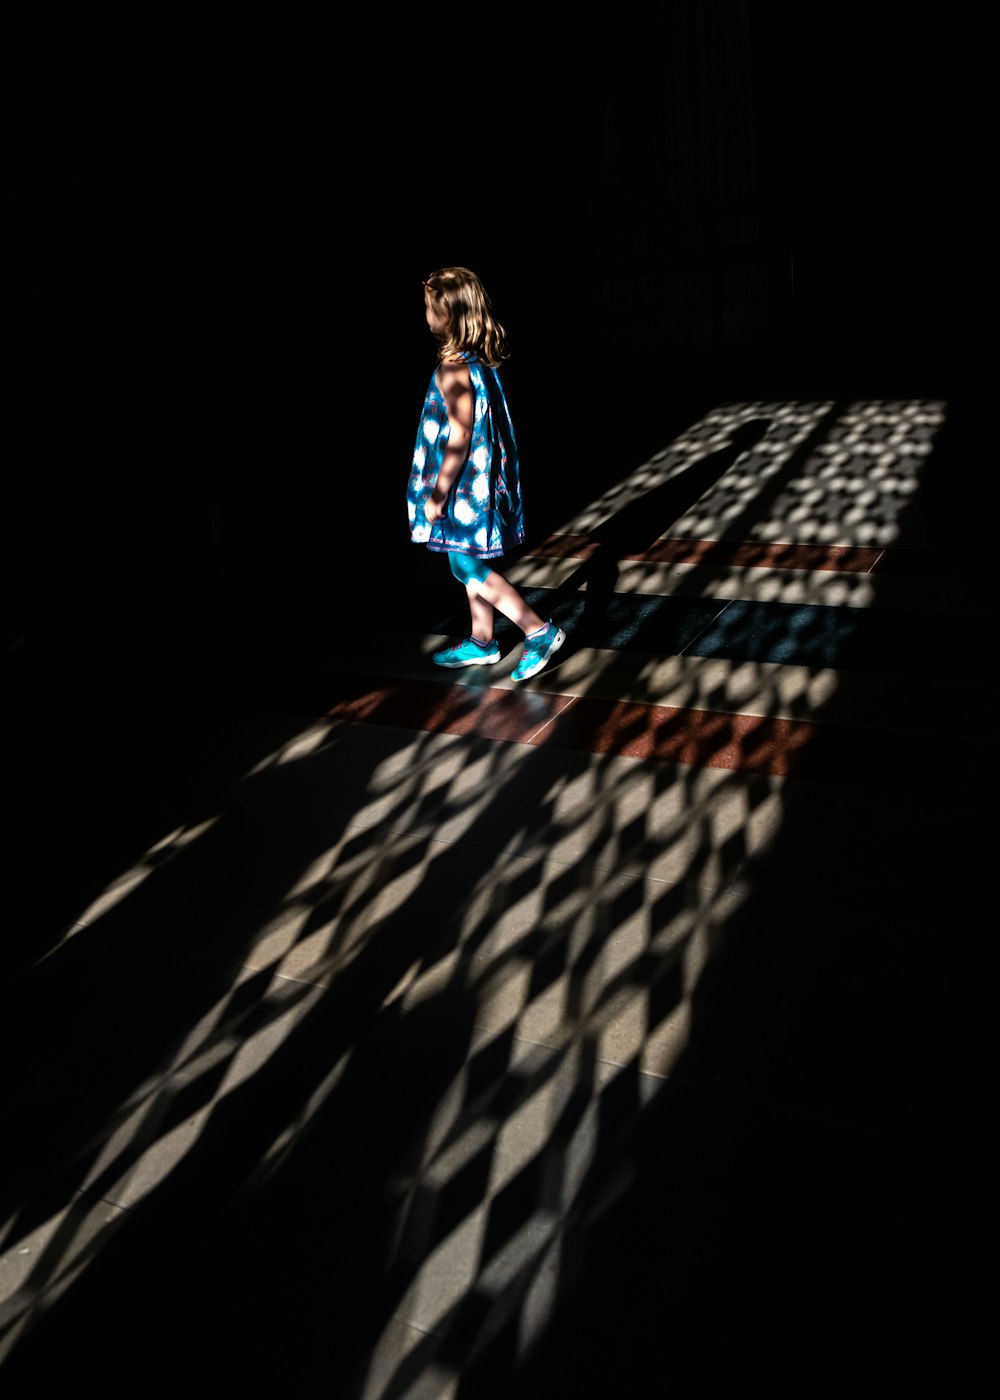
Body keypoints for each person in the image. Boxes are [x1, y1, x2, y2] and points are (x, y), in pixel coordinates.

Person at [406, 266, 565, 682]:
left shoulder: (454, 370)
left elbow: (458, 437)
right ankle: (482, 641)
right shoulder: (476, 362)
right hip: (480, 480)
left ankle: (538, 631)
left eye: (428, 307)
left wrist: (439, 492)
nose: (425, 314)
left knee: (465, 565)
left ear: (448, 315)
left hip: (462, 485)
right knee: (468, 557)